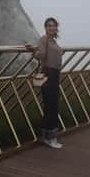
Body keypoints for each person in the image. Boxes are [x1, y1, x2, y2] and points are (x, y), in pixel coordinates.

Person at [26, 17, 64, 149]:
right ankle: (50, 137)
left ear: (56, 27)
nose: (51, 28)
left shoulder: (53, 41)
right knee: (51, 106)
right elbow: (41, 55)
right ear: (45, 28)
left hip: (55, 75)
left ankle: (47, 135)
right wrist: (33, 51)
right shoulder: (43, 40)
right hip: (48, 74)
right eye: (48, 26)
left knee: (53, 105)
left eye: (53, 25)